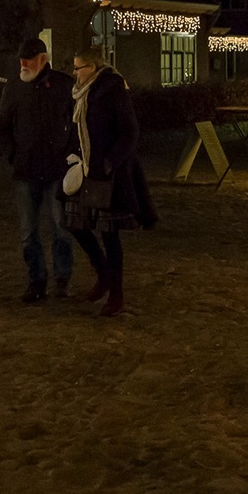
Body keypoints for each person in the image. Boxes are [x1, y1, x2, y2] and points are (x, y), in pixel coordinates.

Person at [62, 49, 156, 316]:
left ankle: (116, 292)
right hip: (83, 167)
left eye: (79, 68)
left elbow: (129, 131)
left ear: (93, 67)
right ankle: (102, 272)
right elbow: (75, 127)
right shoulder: (78, 93)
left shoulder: (112, 90)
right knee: (74, 223)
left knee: (109, 233)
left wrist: (109, 162)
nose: (75, 73)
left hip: (108, 173)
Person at [0, 37, 76, 302]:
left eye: (28, 60)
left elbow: (75, 123)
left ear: (43, 59)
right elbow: (1, 126)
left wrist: (70, 155)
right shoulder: (15, 88)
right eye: (21, 61)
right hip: (26, 170)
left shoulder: (63, 86)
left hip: (56, 169)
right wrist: (14, 156)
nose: (23, 65)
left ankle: (62, 278)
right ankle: (36, 280)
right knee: (28, 232)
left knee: (60, 227)